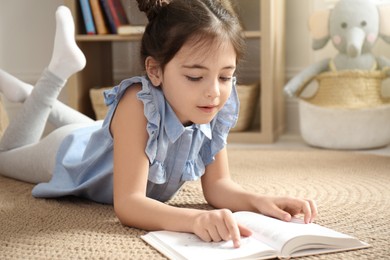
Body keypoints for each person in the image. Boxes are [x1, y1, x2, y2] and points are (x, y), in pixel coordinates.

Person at [0, 1, 317, 248]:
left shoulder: (214, 103)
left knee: (101, 131)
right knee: (6, 155)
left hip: (103, 137)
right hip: (69, 153)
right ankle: (54, 75)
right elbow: (128, 205)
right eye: (195, 76)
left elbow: (219, 187)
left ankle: (28, 94)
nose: (214, 91)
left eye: (225, 76)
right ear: (155, 71)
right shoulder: (137, 103)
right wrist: (194, 220)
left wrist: (260, 202)